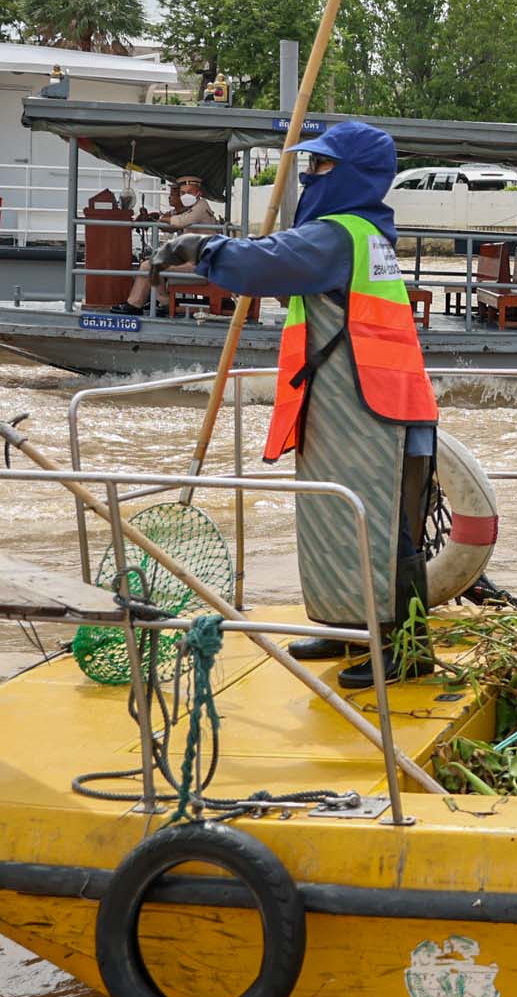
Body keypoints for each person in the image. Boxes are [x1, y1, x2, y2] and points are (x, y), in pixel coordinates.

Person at [148, 123, 436, 688]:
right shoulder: (362, 234)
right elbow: (292, 277)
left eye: (322, 167)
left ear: (353, 175)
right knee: (334, 519)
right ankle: (344, 625)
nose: (309, 176)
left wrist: (201, 247)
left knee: (382, 531)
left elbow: (266, 264)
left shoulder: (340, 234)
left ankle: (408, 649)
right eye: (309, 165)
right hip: (353, 403)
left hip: (373, 409)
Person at [111, 177, 221, 314]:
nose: (185, 196)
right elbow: (172, 225)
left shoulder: (201, 206)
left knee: (149, 266)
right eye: (182, 193)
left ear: (198, 193)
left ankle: (134, 304)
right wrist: (156, 219)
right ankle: (164, 303)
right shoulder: (192, 208)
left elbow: (181, 222)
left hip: (201, 265)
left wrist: (164, 219)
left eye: (189, 192)